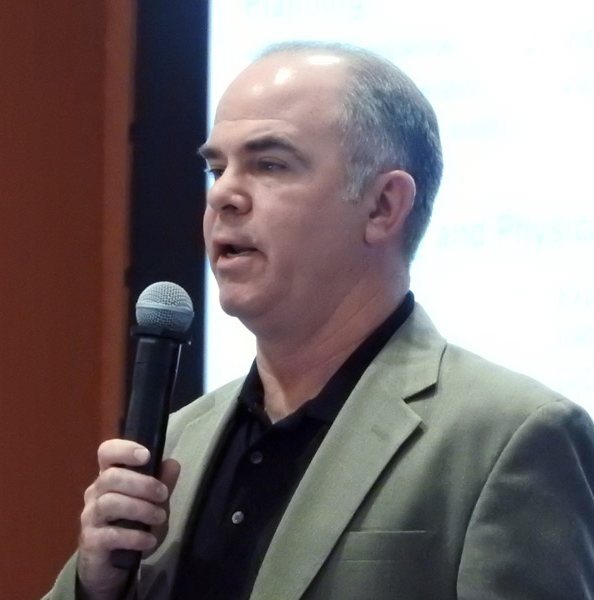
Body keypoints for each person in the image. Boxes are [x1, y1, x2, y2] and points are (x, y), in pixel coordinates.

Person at [44, 41, 594, 600]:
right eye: (216, 168)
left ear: (383, 206)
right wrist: (97, 588)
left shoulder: (508, 437)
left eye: (270, 164)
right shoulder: (178, 442)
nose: (224, 195)